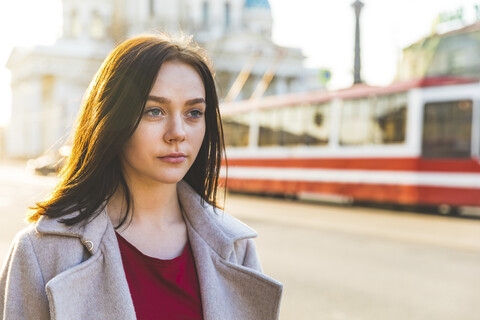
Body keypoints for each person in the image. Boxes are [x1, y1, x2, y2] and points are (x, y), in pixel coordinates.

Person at [0, 33, 282, 320]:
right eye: (155, 111)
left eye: (194, 113)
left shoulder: (236, 247)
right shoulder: (41, 252)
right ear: (113, 119)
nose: (178, 132)